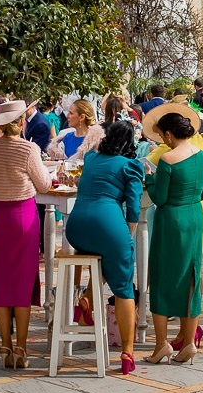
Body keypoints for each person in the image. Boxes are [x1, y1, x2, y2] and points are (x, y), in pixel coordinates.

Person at [62, 119, 146, 374]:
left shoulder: (92, 159)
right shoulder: (130, 165)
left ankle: (88, 299)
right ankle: (127, 350)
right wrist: (127, 236)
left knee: (103, 257)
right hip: (107, 223)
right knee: (123, 287)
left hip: (75, 228)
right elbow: (133, 207)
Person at [0, 99, 54, 369]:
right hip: (22, 216)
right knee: (22, 283)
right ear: (21, 122)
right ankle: (20, 347)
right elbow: (44, 183)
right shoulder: (27, 148)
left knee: (1, 282)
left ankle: (5, 345)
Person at [143, 103, 203, 364]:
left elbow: (159, 197)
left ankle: (162, 344)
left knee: (162, 279)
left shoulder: (167, 159)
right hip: (195, 216)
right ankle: (189, 342)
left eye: (162, 136)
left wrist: (150, 177)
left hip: (171, 219)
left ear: (169, 135)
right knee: (191, 278)